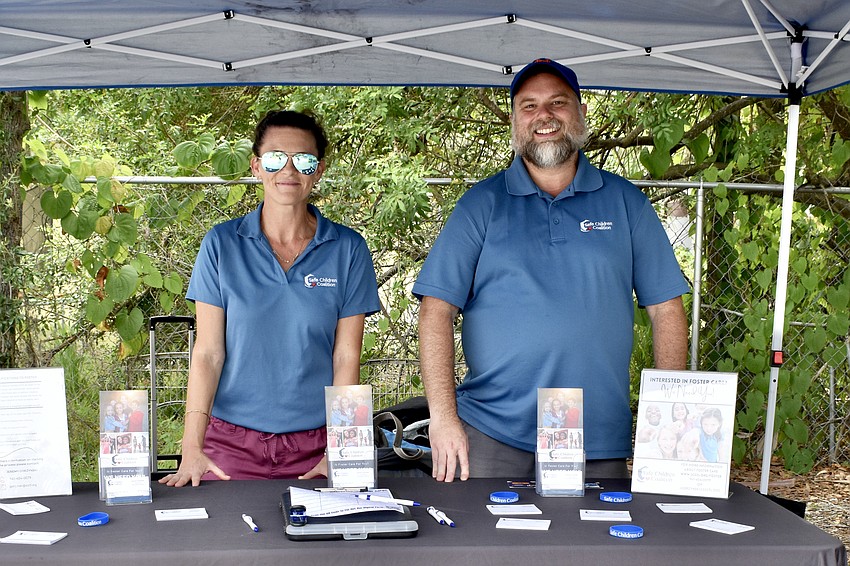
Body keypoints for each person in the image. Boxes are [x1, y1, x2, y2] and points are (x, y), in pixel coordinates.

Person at [414, 58, 689, 482]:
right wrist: (443, 419)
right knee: (487, 549)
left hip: (597, 436)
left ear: (579, 113)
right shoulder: (480, 205)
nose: (544, 116)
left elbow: (666, 310)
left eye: (558, 103)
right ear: (515, 120)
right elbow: (436, 312)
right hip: (491, 434)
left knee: (599, 548)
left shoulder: (625, 202)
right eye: (529, 106)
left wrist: (671, 415)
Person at [159, 110, 380, 487]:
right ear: (257, 166)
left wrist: (339, 451)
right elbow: (208, 354)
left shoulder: (348, 249)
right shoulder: (221, 244)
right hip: (230, 445)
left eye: (304, 160)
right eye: (276, 158)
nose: (289, 171)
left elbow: (346, 357)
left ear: (320, 169)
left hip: (317, 447)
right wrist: (191, 447)